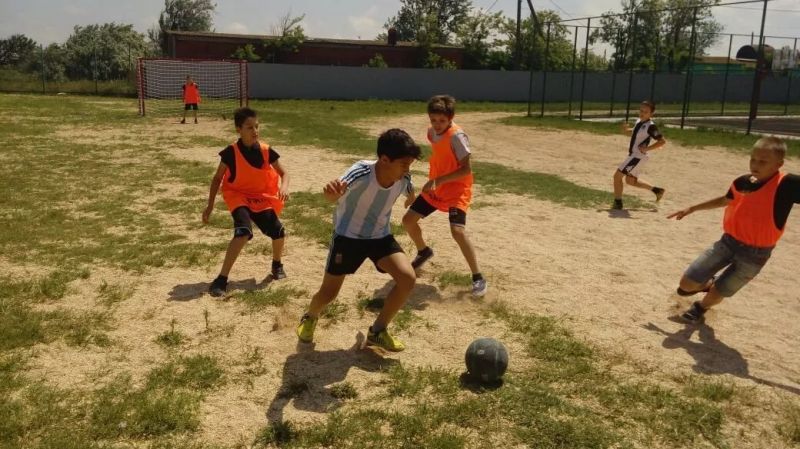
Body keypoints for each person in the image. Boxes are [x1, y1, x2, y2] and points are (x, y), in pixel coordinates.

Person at [296, 128, 421, 352]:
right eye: (404, 164)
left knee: (407, 278)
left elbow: (409, 190)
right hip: (348, 237)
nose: (407, 169)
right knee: (328, 294)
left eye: (409, 165)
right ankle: (310, 316)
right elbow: (334, 193)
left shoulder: (404, 178)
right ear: (384, 160)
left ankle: (378, 331)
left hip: (380, 237)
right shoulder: (361, 172)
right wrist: (331, 193)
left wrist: (410, 199)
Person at [668, 136, 800, 322]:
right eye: (753, 159)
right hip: (727, 243)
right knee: (685, 286)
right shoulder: (743, 182)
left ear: (779, 164)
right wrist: (692, 208)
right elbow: (725, 200)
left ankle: (700, 308)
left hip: (756, 255)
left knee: (721, 292)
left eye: (763, 161)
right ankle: (709, 283)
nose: (755, 164)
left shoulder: (787, 185)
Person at [401, 94, 487, 297]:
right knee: (408, 220)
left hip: (457, 190)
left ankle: (478, 278)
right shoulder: (432, 133)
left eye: (442, 121)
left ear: (451, 118)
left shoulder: (457, 136)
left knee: (457, 231)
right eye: (433, 120)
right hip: (436, 188)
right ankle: (424, 252)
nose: (437, 124)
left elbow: (466, 169)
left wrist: (438, 180)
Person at [202, 107, 290, 296]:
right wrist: (209, 206)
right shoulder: (230, 152)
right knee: (243, 233)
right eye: (249, 127)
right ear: (238, 130)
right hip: (238, 195)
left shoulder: (267, 151)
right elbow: (217, 178)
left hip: (260, 198)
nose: (255, 131)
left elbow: (285, 173)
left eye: (257, 126)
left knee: (279, 232)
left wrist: (284, 187)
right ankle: (221, 279)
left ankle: (277, 264)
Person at [612, 100, 667, 210]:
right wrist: (625, 130)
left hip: (637, 157)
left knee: (617, 177)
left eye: (646, 112)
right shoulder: (639, 121)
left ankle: (618, 203)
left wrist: (647, 148)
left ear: (651, 114)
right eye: (641, 110)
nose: (642, 113)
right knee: (630, 181)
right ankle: (657, 190)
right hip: (634, 156)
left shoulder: (651, 127)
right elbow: (634, 132)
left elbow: (662, 141)